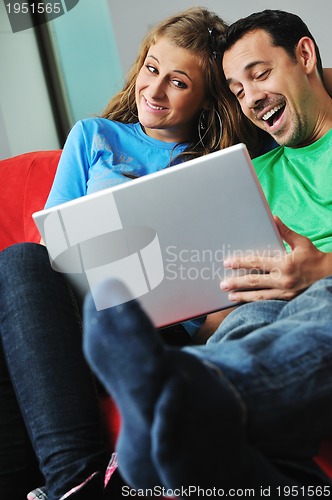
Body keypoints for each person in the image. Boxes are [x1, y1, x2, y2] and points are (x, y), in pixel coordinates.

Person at [0, 7, 257, 500]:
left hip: (163, 330)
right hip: (79, 313)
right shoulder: (94, 136)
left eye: (178, 82)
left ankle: (72, 482)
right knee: (19, 260)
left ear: (207, 98)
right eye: (151, 68)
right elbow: (49, 243)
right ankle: (76, 481)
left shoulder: (218, 166)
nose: (155, 90)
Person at [82, 9, 332, 498]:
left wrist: (321, 268)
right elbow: (222, 311)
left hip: (325, 295)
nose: (253, 98)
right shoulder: (247, 174)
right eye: (238, 91)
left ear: (304, 56)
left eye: (260, 74)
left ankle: (174, 404)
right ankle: (181, 411)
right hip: (263, 313)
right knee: (247, 321)